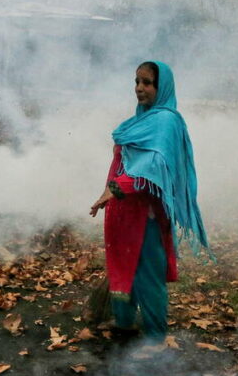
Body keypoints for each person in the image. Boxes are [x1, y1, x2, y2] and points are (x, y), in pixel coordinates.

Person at [89, 60, 210, 342]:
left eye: (147, 83)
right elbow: (122, 164)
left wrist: (117, 188)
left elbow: (155, 166)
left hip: (147, 215)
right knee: (122, 267)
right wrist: (108, 193)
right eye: (137, 81)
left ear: (161, 86)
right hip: (121, 211)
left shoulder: (167, 121)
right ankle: (124, 323)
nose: (139, 88)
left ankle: (155, 339)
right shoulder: (139, 120)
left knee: (148, 275)